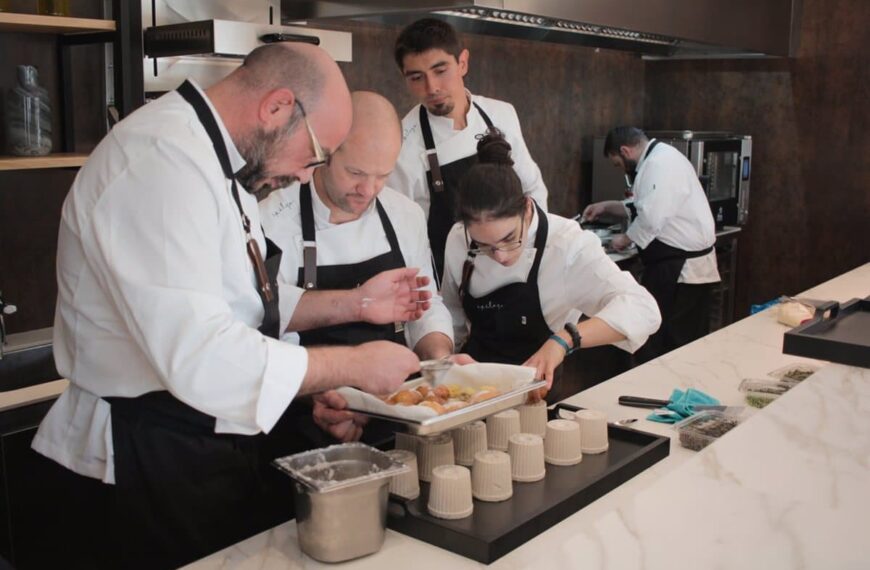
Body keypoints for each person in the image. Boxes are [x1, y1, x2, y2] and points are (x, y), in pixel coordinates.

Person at [31, 44, 430, 569]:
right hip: (142, 458)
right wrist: (354, 365)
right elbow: (202, 354)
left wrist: (354, 305)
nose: (310, 177)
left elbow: (244, 302)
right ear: (277, 108)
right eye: (314, 156)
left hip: (202, 448)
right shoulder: (159, 163)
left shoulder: (220, 161)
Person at [260, 91, 457, 443]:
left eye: (382, 175)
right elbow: (270, 337)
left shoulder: (404, 215)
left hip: (397, 414)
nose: (368, 190)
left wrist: (439, 362)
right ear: (326, 152)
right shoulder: (272, 221)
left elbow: (425, 305)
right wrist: (320, 395)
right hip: (306, 420)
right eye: (356, 172)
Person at [441, 129, 661, 392]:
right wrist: (445, 362)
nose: (500, 256)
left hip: (536, 391)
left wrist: (565, 339)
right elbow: (451, 314)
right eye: (484, 246)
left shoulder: (567, 245)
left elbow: (643, 309)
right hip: (471, 389)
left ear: (527, 208)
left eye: (509, 238)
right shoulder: (458, 238)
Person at [388, 17, 548, 283]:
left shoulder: (501, 113)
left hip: (518, 265)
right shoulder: (403, 143)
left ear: (462, 62)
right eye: (417, 77)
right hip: (457, 282)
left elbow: (531, 187)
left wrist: (533, 248)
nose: (432, 88)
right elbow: (408, 236)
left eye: (441, 71)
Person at [583, 126, 720, 363]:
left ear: (625, 151)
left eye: (617, 163)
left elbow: (652, 217)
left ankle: (667, 391)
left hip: (682, 271)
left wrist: (624, 240)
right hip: (675, 265)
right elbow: (643, 205)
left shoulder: (659, 164)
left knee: (672, 342)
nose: (620, 169)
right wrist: (606, 206)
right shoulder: (660, 157)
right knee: (667, 338)